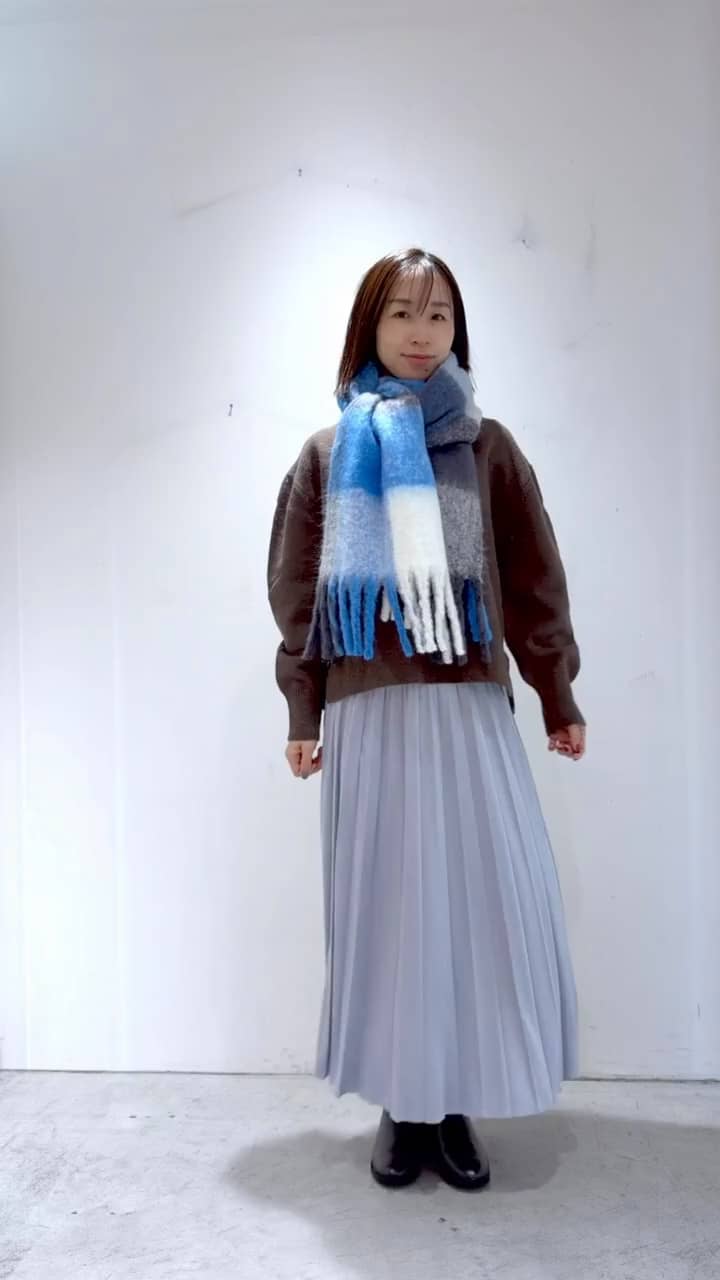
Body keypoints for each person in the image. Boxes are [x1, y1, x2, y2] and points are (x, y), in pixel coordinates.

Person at [267, 247, 586, 1192]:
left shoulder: (489, 447)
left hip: (467, 705)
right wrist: (302, 708)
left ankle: (454, 1104)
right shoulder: (329, 454)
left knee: (478, 906)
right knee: (390, 914)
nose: (421, 332)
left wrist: (556, 690)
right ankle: (403, 1109)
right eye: (402, 313)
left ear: (458, 330)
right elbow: (297, 596)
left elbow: (535, 576)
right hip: (370, 712)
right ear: (368, 326)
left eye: (438, 314)